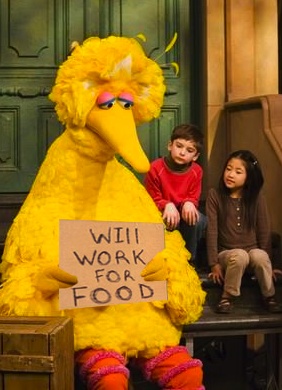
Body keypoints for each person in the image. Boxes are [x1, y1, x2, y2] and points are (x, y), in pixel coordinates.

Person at [206, 149, 281, 314]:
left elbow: (264, 230)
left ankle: (269, 296)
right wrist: (214, 264)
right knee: (240, 255)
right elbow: (211, 231)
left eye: (238, 171)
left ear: (249, 177)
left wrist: (271, 265)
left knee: (260, 256)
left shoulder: (257, 197)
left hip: (252, 253)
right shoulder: (215, 195)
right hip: (228, 255)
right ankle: (227, 296)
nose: (230, 174)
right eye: (228, 168)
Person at [144, 123, 206, 264]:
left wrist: (189, 202)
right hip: (161, 213)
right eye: (179, 146)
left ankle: (189, 262)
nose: (182, 153)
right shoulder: (155, 168)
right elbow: (152, 199)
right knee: (158, 222)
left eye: (189, 150)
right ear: (170, 145)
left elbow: (193, 197)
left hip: (183, 215)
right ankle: (160, 262)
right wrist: (167, 204)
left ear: (195, 156)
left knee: (197, 219)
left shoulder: (197, 171)